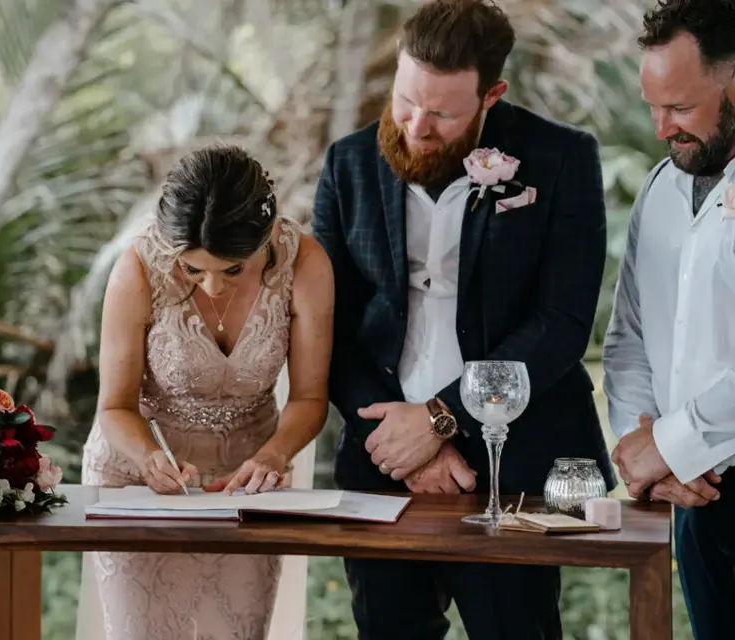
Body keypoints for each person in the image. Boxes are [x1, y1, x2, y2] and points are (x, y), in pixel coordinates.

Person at [311, 1, 615, 638]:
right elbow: (326, 326)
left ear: (492, 95)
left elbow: (560, 322)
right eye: (405, 101)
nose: (417, 126)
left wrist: (441, 417)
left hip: (518, 459)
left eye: (443, 113)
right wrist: (401, 442)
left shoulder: (560, 160)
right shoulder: (347, 165)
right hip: (383, 457)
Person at [78, 144, 334, 640]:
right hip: (142, 474)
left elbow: (309, 398)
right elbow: (114, 405)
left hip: (248, 476)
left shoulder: (305, 264)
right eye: (193, 270)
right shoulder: (137, 270)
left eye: (233, 269)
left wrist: (274, 455)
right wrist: (149, 457)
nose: (213, 287)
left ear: (264, 237)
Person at [602, 1, 735, 638]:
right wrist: (642, 446)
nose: (660, 128)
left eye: (680, 109)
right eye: (654, 106)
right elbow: (630, 333)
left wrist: (673, 447)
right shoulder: (661, 185)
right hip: (696, 499)